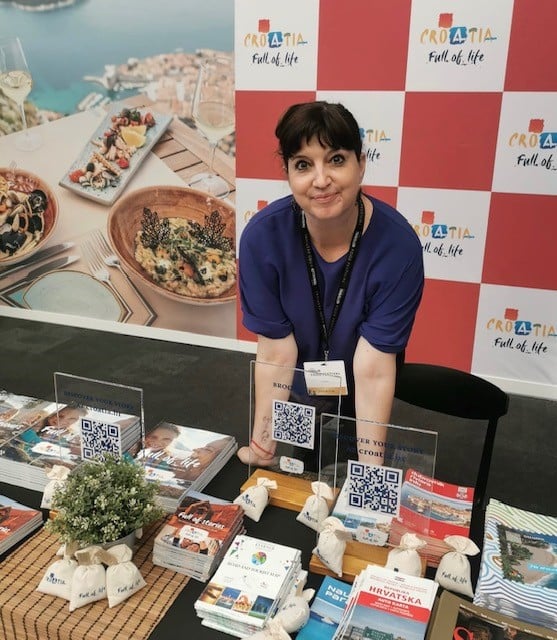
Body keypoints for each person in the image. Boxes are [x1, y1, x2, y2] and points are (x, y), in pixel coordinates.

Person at [237, 101, 424, 467]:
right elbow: (276, 353)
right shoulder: (262, 238)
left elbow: (373, 369)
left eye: (336, 159)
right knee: (303, 467)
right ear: (287, 173)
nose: (321, 180)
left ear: (361, 164)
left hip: (361, 383)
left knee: (352, 461)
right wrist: (262, 448)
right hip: (299, 379)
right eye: (303, 165)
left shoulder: (399, 247)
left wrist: (369, 473)